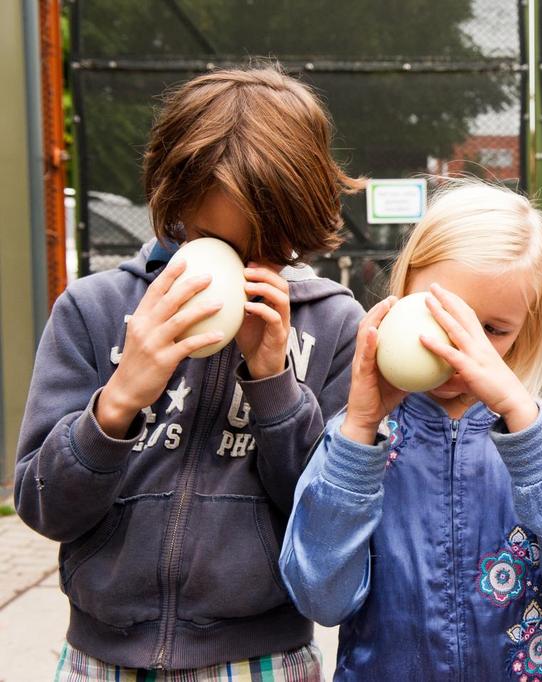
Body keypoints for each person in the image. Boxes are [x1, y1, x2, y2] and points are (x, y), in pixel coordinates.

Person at [15, 65, 364, 679]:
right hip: (102, 658)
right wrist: (120, 399)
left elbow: (327, 518)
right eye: (206, 237)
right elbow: (44, 507)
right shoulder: (94, 310)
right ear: (172, 205)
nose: (234, 264)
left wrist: (274, 381)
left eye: (263, 247)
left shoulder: (333, 324)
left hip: (262, 656)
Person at [280, 180, 542, 681]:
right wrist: (359, 431)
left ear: (527, 327)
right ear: (403, 296)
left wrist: (521, 421)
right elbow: (320, 596)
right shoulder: (358, 439)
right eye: (442, 317)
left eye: (493, 330)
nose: (459, 350)